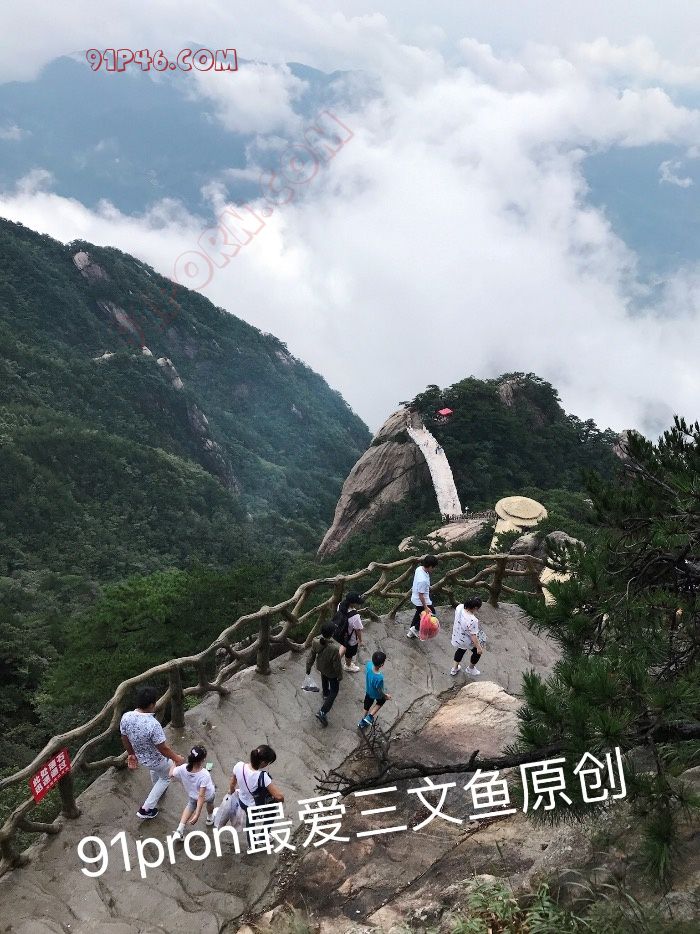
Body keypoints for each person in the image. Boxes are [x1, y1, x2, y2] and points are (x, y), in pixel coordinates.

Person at [119, 685, 185, 819]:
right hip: (157, 760)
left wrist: (131, 754)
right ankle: (146, 809)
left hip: (142, 758)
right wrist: (176, 758)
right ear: (151, 705)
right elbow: (163, 748)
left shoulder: (126, 717)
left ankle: (157, 788)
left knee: (157, 772)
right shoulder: (153, 724)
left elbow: (124, 737)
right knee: (166, 777)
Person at [229, 745, 284, 825]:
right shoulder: (262, 776)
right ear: (263, 763)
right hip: (255, 806)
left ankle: (250, 832)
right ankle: (263, 832)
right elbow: (279, 796)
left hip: (242, 801)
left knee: (250, 818)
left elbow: (232, 784)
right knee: (271, 813)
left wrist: (231, 793)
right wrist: (281, 801)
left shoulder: (239, 765)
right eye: (268, 763)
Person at [170, 745, 216, 841]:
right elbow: (201, 795)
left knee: (190, 806)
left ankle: (180, 830)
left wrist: (174, 762)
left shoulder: (182, 768)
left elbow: (171, 774)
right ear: (203, 760)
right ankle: (210, 818)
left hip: (193, 795)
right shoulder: (204, 774)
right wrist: (197, 814)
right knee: (210, 803)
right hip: (208, 795)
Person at [306, 621, 344, 726]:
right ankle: (322, 712)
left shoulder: (315, 641)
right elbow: (337, 665)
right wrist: (340, 676)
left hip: (321, 667)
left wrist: (308, 667)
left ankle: (325, 694)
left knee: (324, 677)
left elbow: (311, 655)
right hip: (331, 672)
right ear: (332, 633)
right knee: (334, 691)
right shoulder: (334, 648)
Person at [450, 596, 483, 677]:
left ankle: (454, 669)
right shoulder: (473, 620)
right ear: (475, 608)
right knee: (477, 652)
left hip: (457, 635)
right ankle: (470, 668)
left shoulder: (459, 607)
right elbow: (473, 635)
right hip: (466, 640)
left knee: (461, 650)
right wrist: (478, 647)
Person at [407, 555, 439, 639]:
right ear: (430, 566)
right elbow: (421, 595)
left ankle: (410, 633)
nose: (434, 569)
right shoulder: (423, 580)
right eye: (434, 567)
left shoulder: (419, 569)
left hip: (415, 598)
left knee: (418, 614)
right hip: (421, 600)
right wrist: (425, 607)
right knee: (431, 614)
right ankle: (415, 629)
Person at [359, 650, 391, 729]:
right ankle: (369, 717)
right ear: (381, 664)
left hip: (368, 690)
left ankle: (362, 720)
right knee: (381, 701)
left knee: (367, 705)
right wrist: (385, 696)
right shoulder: (379, 678)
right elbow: (379, 690)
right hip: (376, 694)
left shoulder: (369, 665)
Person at [335, 592, 365, 673]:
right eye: (357, 602)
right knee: (349, 653)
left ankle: (334, 662)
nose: (358, 604)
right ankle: (348, 666)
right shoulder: (355, 616)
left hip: (341, 632)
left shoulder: (340, 605)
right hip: (351, 637)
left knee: (344, 645)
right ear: (352, 603)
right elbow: (358, 630)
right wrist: (360, 640)